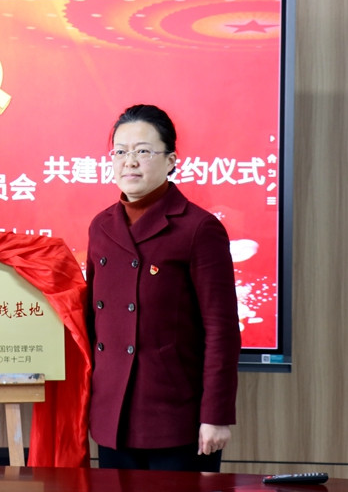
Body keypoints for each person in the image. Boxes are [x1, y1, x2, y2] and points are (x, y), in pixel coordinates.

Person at [86, 104, 240, 472]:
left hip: (176, 418)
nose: (129, 162)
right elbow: (92, 321)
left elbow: (221, 330)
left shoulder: (198, 228)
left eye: (143, 151)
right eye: (120, 152)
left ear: (171, 160)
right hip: (112, 415)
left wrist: (216, 415)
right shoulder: (101, 227)